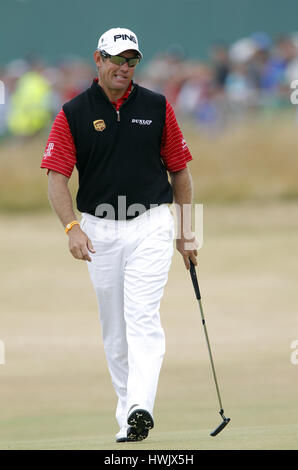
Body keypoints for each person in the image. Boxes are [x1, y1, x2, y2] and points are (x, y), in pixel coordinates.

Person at [41, 27, 197, 443]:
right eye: (117, 59)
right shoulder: (73, 111)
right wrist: (71, 227)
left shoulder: (157, 106)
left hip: (151, 224)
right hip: (99, 228)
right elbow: (57, 178)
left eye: (131, 61)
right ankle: (128, 416)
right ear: (98, 59)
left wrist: (187, 234)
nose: (124, 68)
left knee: (142, 318)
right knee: (115, 330)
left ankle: (140, 406)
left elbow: (180, 169)